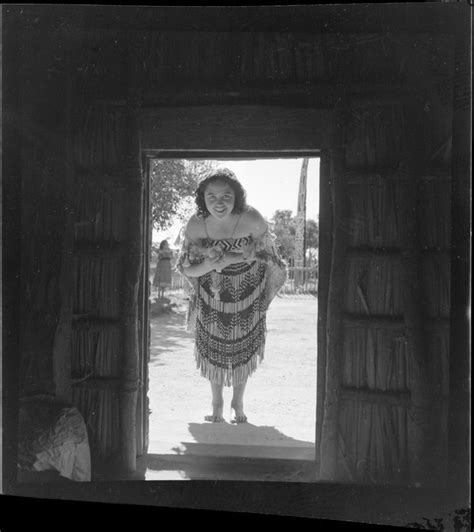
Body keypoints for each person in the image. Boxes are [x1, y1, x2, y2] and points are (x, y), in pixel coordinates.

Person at [177, 168, 287, 424]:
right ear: (202, 198)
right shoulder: (195, 225)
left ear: (237, 196)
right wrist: (212, 265)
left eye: (226, 196)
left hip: (248, 291)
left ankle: (238, 402)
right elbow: (185, 267)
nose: (219, 202)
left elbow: (270, 258)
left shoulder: (253, 219)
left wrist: (239, 256)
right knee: (212, 349)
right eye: (211, 196)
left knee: (244, 348)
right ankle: (217, 403)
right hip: (211, 293)